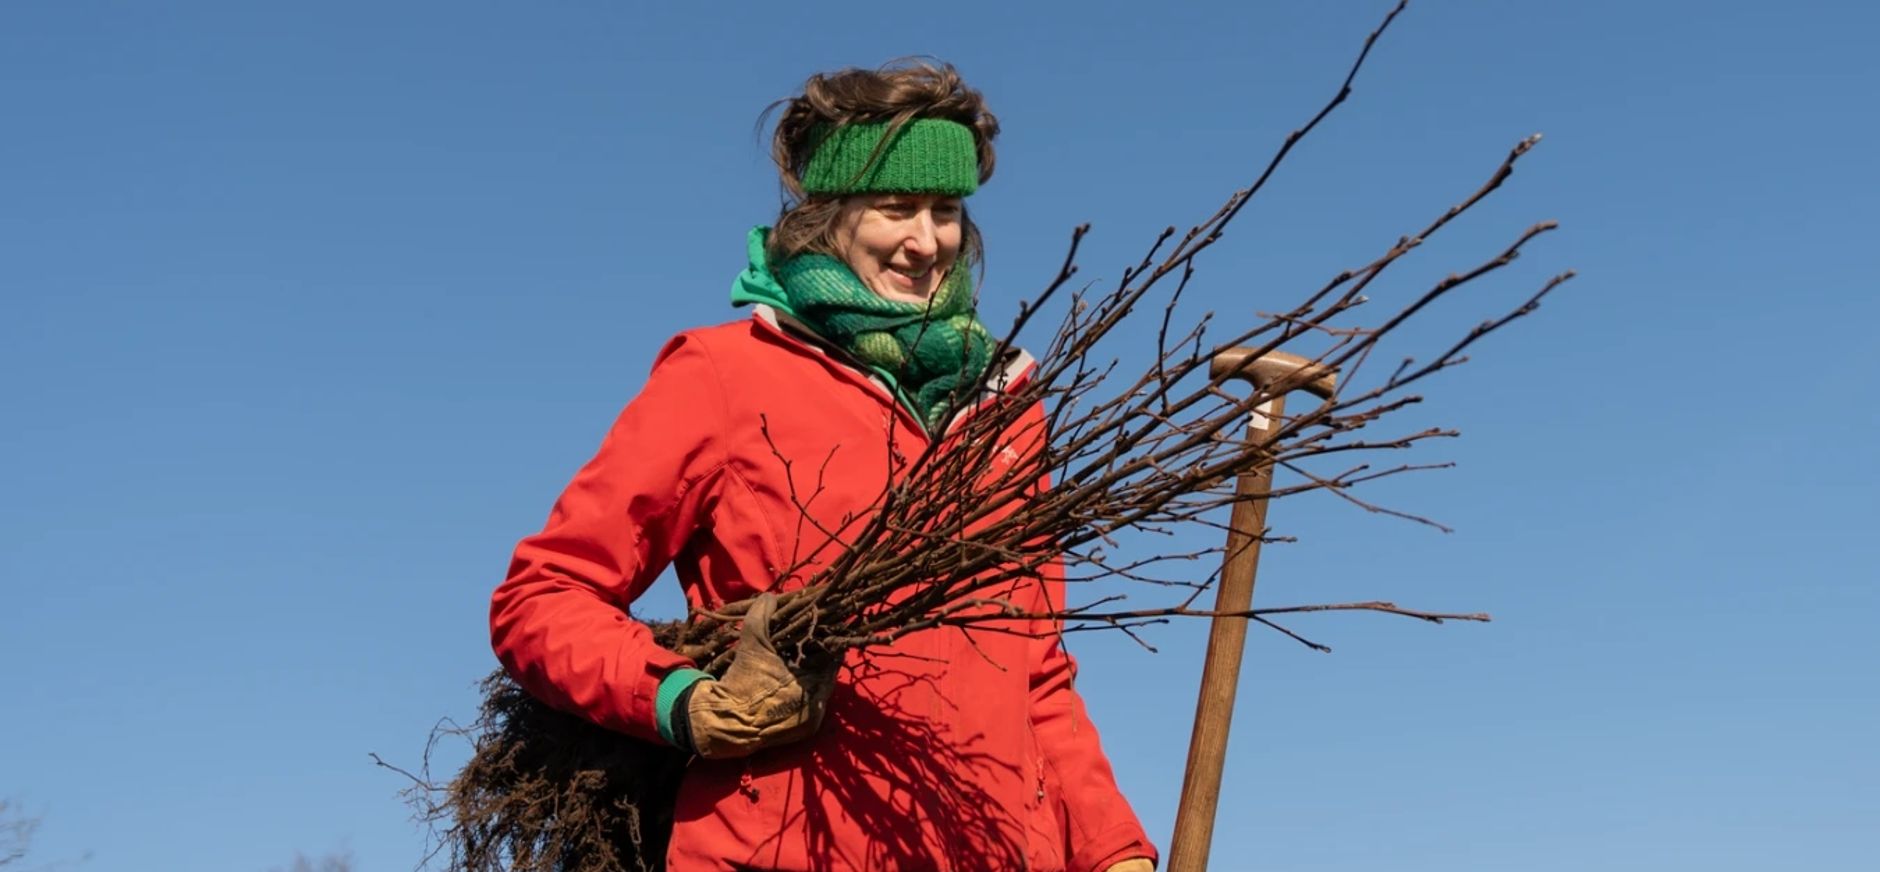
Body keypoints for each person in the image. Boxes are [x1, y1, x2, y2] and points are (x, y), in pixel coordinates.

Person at [490, 60, 1157, 872]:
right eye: (895, 208)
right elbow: (544, 597)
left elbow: (1037, 673)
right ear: (831, 215)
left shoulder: (1005, 409)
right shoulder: (725, 376)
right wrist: (683, 701)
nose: (926, 239)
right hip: (782, 849)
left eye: (945, 210)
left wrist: (1111, 848)